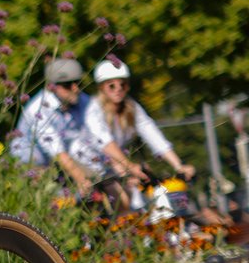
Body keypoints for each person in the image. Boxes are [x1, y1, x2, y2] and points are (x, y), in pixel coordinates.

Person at [82, 58, 206, 210]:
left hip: (115, 164)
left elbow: (152, 133)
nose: (118, 89)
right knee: (124, 202)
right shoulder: (93, 110)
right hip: (89, 166)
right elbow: (105, 144)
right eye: (111, 85)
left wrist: (178, 165)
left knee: (146, 199)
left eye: (123, 84)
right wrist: (129, 166)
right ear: (101, 87)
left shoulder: (131, 107)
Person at [10, 57, 101, 194]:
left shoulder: (81, 100)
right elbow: (57, 152)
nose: (75, 89)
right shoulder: (38, 110)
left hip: (58, 163)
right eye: (67, 85)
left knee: (100, 179)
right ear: (50, 87)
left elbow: (95, 135)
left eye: (78, 83)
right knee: (59, 200)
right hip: (30, 166)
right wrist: (81, 180)